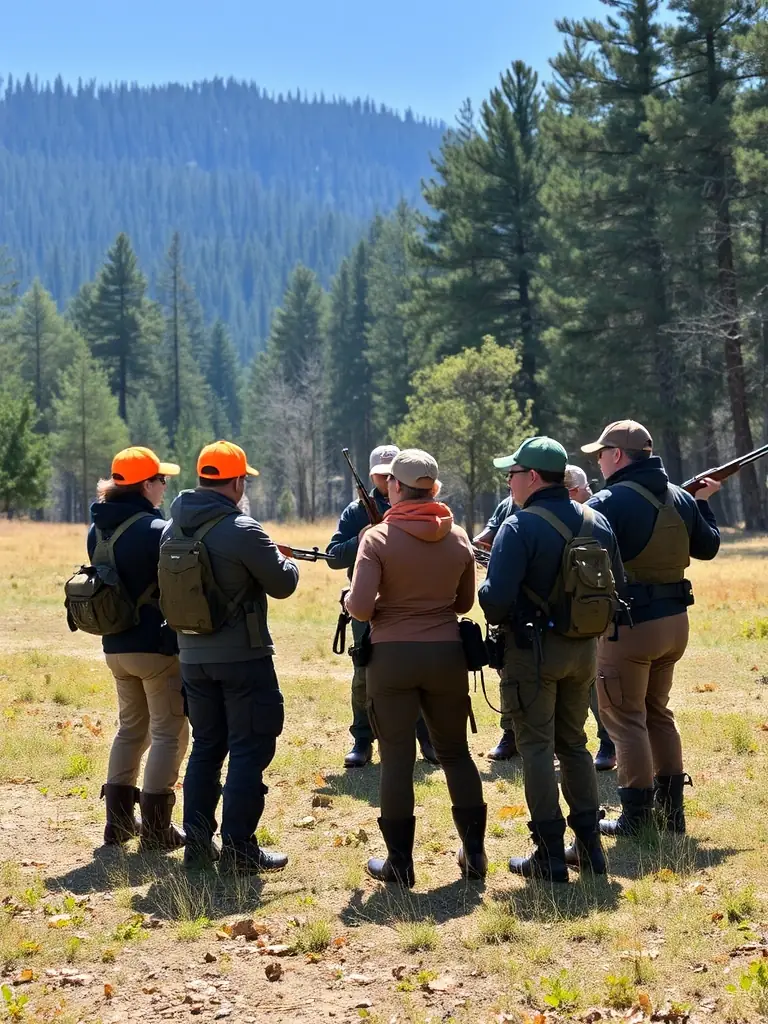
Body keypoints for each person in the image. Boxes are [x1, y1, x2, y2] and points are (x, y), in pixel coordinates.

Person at [478, 437, 624, 882]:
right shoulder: (596, 519)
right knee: (576, 744)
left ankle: (548, 854)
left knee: (537, 748)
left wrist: (484, 582)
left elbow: (494, 604)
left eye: (513, 474)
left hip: (532, 655)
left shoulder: (518, 527)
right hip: (584, 651)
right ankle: (590, 848)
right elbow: (615, 586)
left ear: (534, 478)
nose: (509, 481)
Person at [345, 449, 487, 888]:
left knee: (397, 761)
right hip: (446, 656)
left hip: (392, 660)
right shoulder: (459, 537)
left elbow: (362, 609)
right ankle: (475, 853)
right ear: (435, 489)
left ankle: (400, 864)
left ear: (393, 487)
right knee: (456, 754)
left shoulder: (376, 538)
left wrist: (354, 599)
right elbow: (464, 604)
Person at [161, 440, 299, 872]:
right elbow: (283, 584)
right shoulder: (243, 529)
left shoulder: (170, 528)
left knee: (205, 748)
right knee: (247, 750)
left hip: (191, 656)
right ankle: (240, 850)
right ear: (237, 481)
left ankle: (198, 846)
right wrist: (281, 559)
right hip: (242, 657)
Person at [582, 420, 721, 836]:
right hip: (675, 623)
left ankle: (637, 817)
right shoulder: (680, 497)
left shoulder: (606, 501)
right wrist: (701, 503)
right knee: (658, 712)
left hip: (629, 627)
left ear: (618, 455)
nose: (599, 462)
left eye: (602, 454)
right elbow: (708, 546)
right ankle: (672, 812)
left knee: (625, 719)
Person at [89, 446, 188, 850]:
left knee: (131, 730)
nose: (165, 486)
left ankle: (118, 825)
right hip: (155, 647)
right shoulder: (156, 530)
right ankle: (156, 831)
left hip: (115, 646)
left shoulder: (96, 529)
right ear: (145, 484)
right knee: (170, 734)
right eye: (161, 480)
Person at [326, 445, 437, 769]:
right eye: (381, 474)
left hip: (410, 599)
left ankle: (426, 738)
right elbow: (335, 556)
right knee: (364, 673)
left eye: (392, 474)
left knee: (418, 671)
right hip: (368, 603)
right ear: (373, 475)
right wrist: (361, 538)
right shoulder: (356, 511)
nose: (387, 479)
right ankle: (362, 739)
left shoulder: (420, 506)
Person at [564, 465, 616, 773]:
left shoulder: (597, 518)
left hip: (594, 612)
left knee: (599, 683)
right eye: (585, 487)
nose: (588, 492)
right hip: (564, 616)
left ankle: (608, 743)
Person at [473, 483, 519, 761]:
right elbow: (483, 540)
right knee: (507, 674)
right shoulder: (507, 505)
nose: (510, 482)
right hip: (507, 604)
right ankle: (510, 735)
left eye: (515, 474)